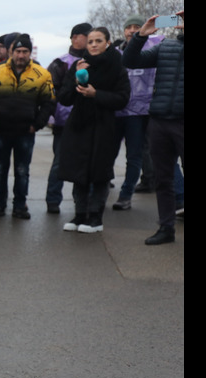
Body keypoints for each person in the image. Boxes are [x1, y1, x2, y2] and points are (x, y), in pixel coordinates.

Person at [57, 26, 131, 234]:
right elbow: (64, 97)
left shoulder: (117, 66)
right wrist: (76, 78)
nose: (94, 45)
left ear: (107, 43)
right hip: (79, 124)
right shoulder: (79, 65)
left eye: (98, 41)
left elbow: (123, 99)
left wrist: (96, 94)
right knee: (79, 171)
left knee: (99, 172)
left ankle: (96, 216)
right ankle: (80, 214)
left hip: (104, 126)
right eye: (90, 42)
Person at [122, 10, 184, 245]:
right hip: (159, 120)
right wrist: (141, 36)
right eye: (181, 18)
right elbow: (129, 61)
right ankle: (166, 228)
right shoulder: (165, 47)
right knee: (163, 178)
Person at [0, 34, 55, 219]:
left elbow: (49, 102)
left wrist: (37, 124)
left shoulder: (42, 74)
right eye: (18, 51)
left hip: (25, 132)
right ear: (11, 52)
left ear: (30, 53)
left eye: (25, 51)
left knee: (22, 171)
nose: (21, 55)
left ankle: (20, 207)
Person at [110, 15, 163, 211]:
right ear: (124, 31)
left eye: (137, 27)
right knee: (108, 153)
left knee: (134, 155)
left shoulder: (154, 47)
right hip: (115, 111)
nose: (132, 30)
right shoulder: (115, 52)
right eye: (129, 27)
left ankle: (125, 195)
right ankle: (101, 187)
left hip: (139, 113)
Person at [45, 23, 91, 213]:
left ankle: (81, 203)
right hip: (64, 124)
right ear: (74, 38)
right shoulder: (60, 63)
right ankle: (53, 200)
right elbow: (50, 93)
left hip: (88, 122)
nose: (90, 41)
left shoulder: (96, 60)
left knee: (86, 164)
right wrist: (51, 117)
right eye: (86, 36)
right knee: (59, 163)